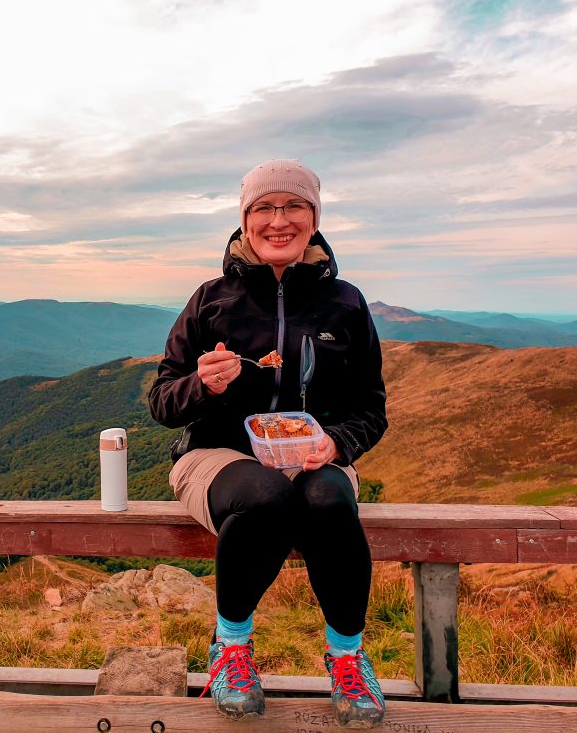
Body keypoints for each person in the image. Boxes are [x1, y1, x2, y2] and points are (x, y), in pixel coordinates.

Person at [148, 159, 388, 728]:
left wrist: (337, 444)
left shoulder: (346, 304)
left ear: (314, 219)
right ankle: (231, 647)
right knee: (264, 497)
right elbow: (161, 402)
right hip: (218, 455)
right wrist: (202, 386)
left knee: (329, 501)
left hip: (313, 454)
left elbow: (371, 407)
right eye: (264, 208)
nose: (278, 220)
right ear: (245, 220)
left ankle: (347, 656)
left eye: (294, 206)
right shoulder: (211, 298)